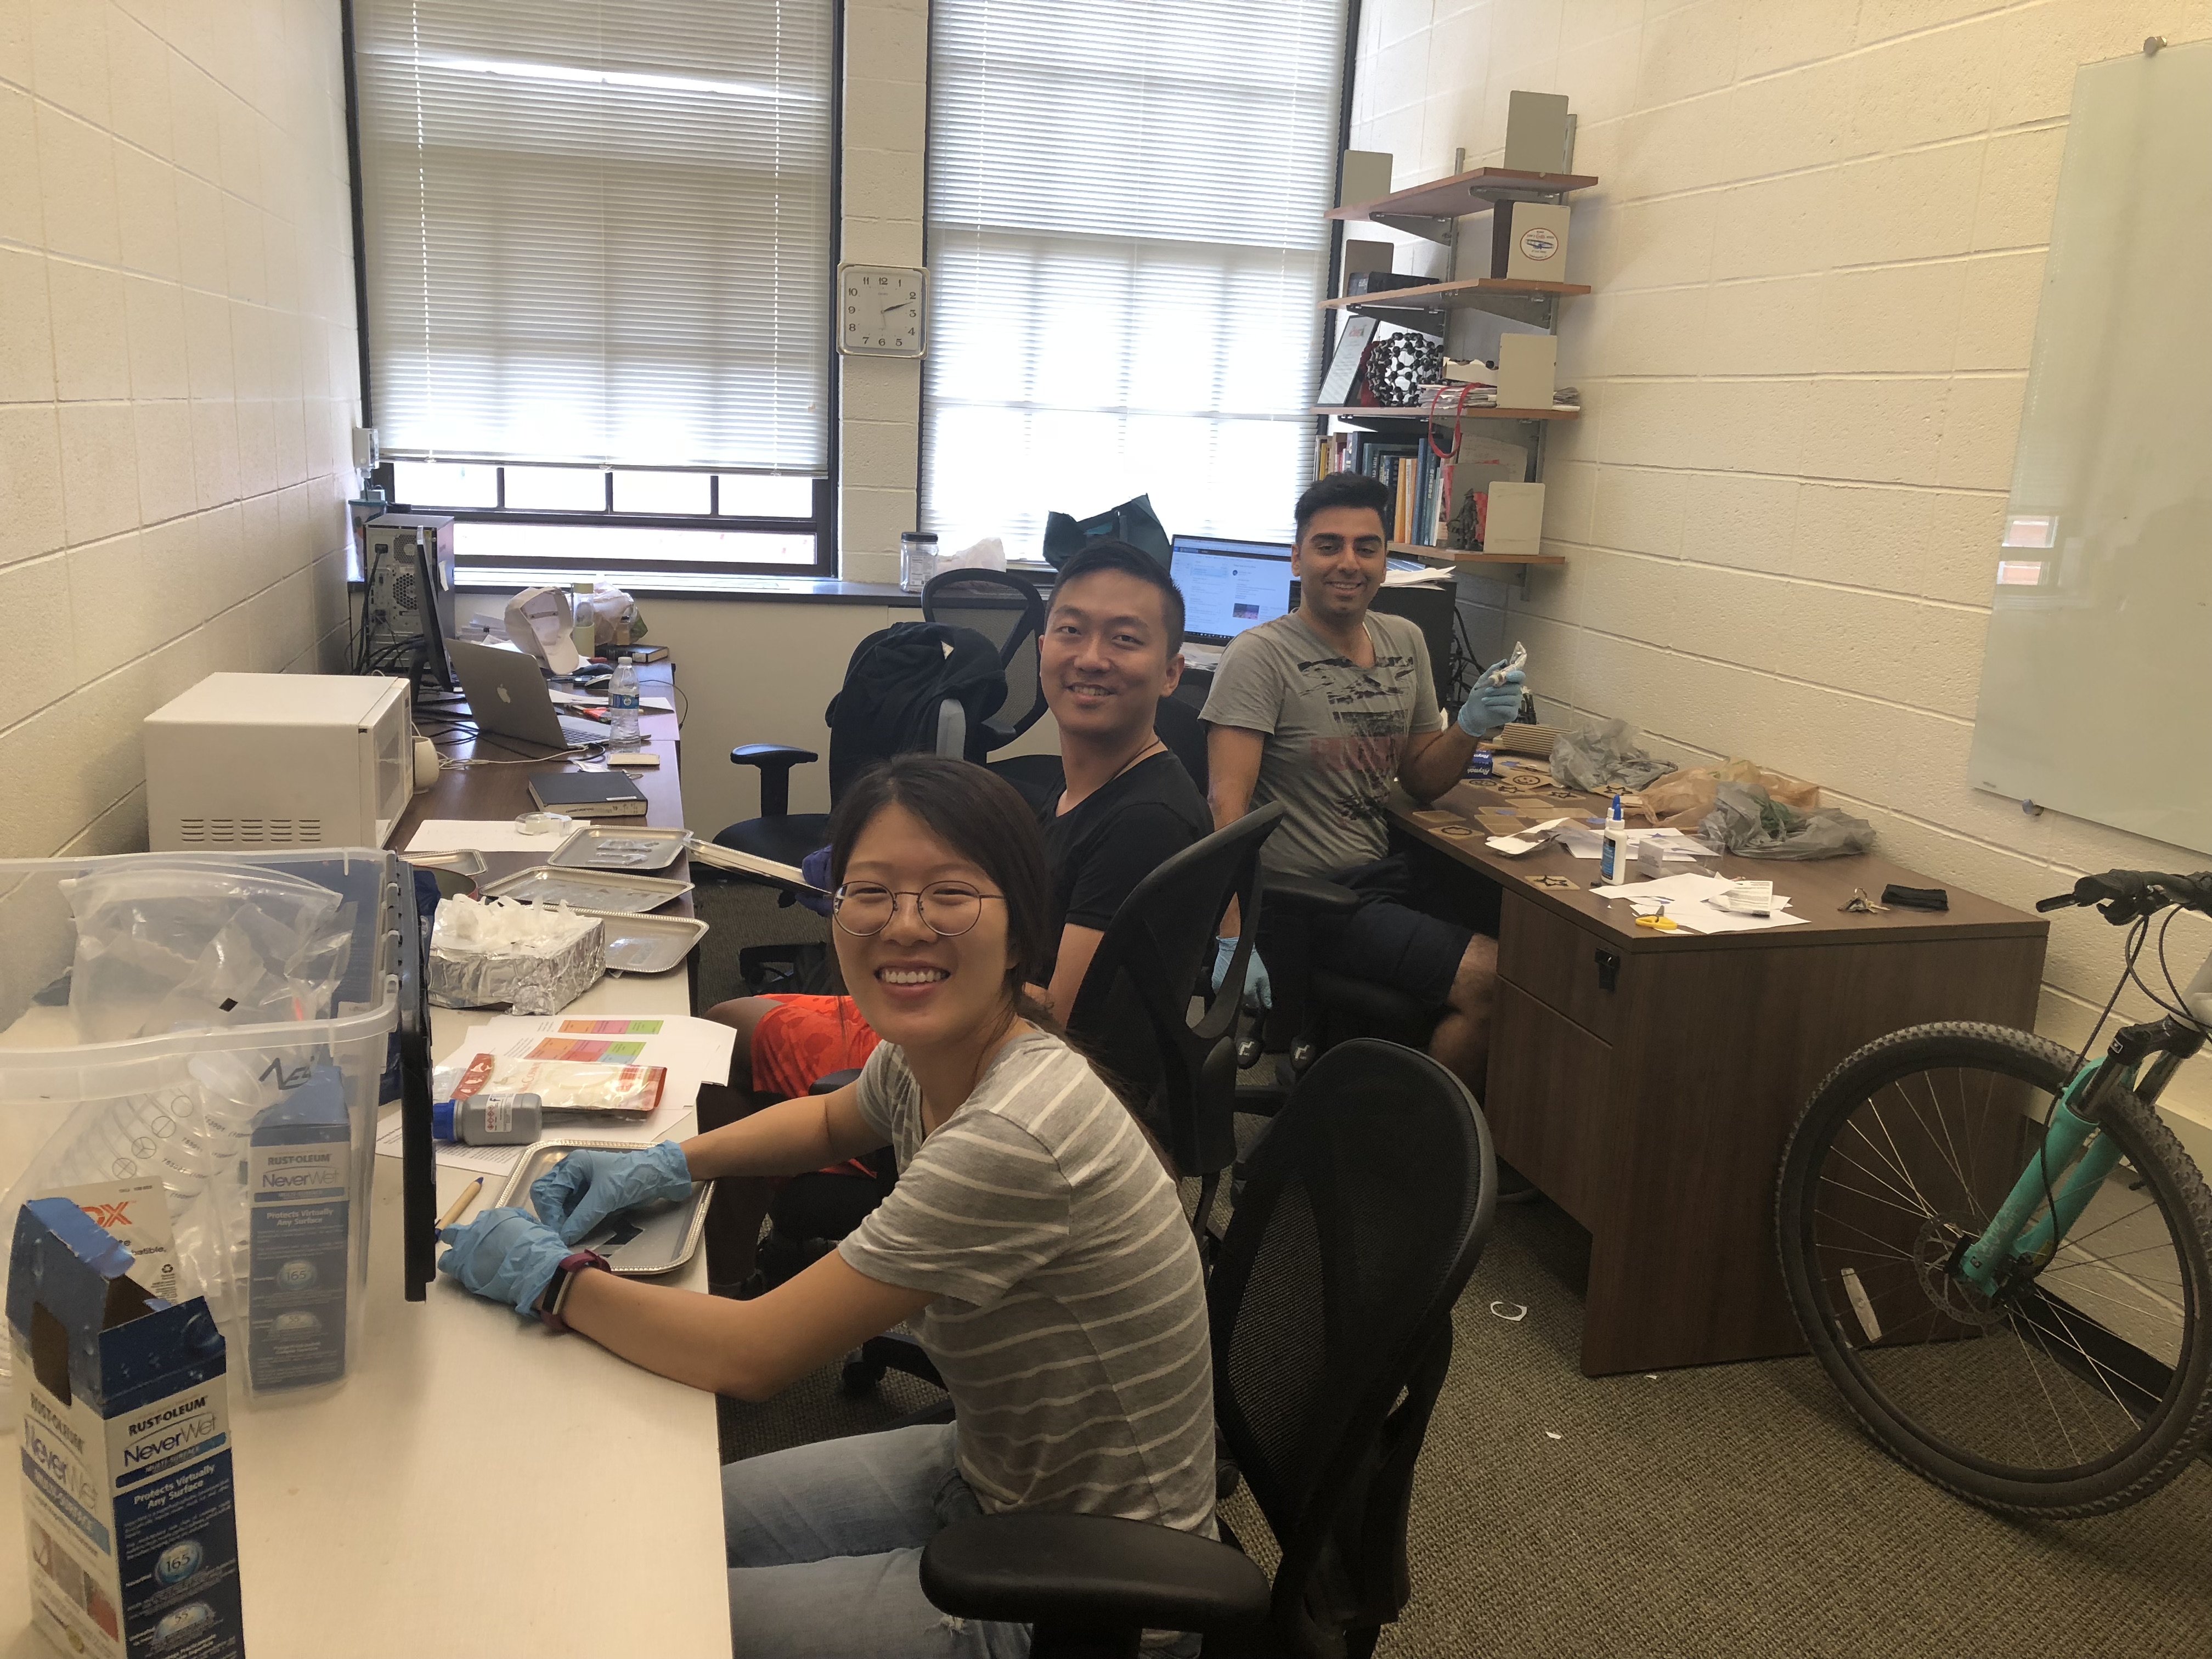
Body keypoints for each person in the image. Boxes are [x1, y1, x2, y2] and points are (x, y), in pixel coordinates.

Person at [435, 755, 1217, 1659]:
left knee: (637, 1613)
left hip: (1087, 1593)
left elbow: (753, 1353)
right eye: (871, 891)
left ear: (1019, 931)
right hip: (992, 1469)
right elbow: (829, 1116)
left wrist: (554, 1279)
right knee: (638, 1535)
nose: (905, 924)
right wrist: (662, 1161)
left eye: (950, 895)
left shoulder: (1015, 1131)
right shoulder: (950, 1046)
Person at [704, 540, 1211, 1273]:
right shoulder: (1079, 791)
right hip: (987, 1021)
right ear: (1042, 651)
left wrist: (909, 951)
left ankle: (726, 1272)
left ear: (1171, 672)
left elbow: (1062, 1016)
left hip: (1007, 1065)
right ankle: (744, 1250)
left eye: (1124, 639)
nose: (1092, 657)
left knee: (724, 1048)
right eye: (1071, 631)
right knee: (728, 1023)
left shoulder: (1142, 822)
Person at [1200, 470, 1525, 1101]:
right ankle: (1400, 1146)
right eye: (1328, 546)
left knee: (1537, 951)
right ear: (1297, 558)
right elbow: (1225, 808)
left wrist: (1471, 727)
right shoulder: (1259, 657)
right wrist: (1233, 939)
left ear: (1384, 561)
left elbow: (1422, 779)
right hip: (1304, 903)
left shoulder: (1404, 641)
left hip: (1380, 880)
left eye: (1366, 547)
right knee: (1494, 978)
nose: (1348, 563)